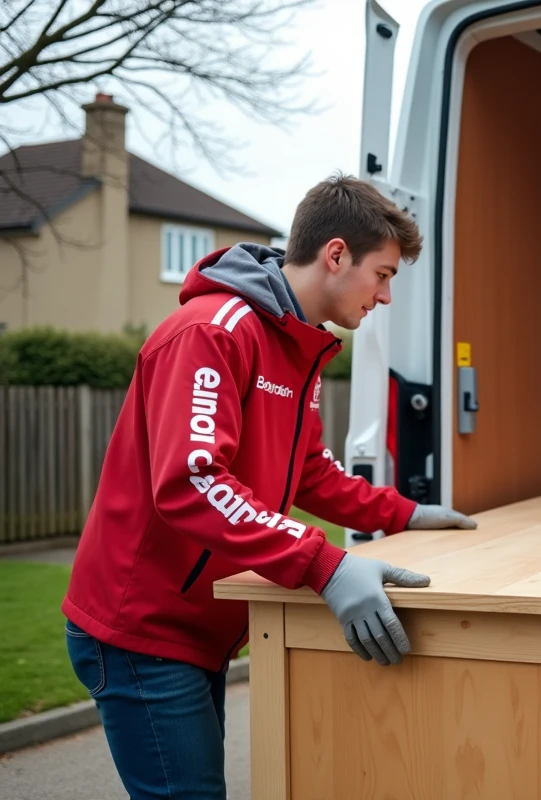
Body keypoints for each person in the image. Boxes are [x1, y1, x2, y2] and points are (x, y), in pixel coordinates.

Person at [61, 174, 476, 799]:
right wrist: (324, 565)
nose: (386, 296)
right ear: (336, 255)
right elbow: (192, 482)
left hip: (200, 627)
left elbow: (310, 472)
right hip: (141, 630)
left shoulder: (295, 344)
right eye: (383, 275)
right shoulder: (214, 332)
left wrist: (406, 514)